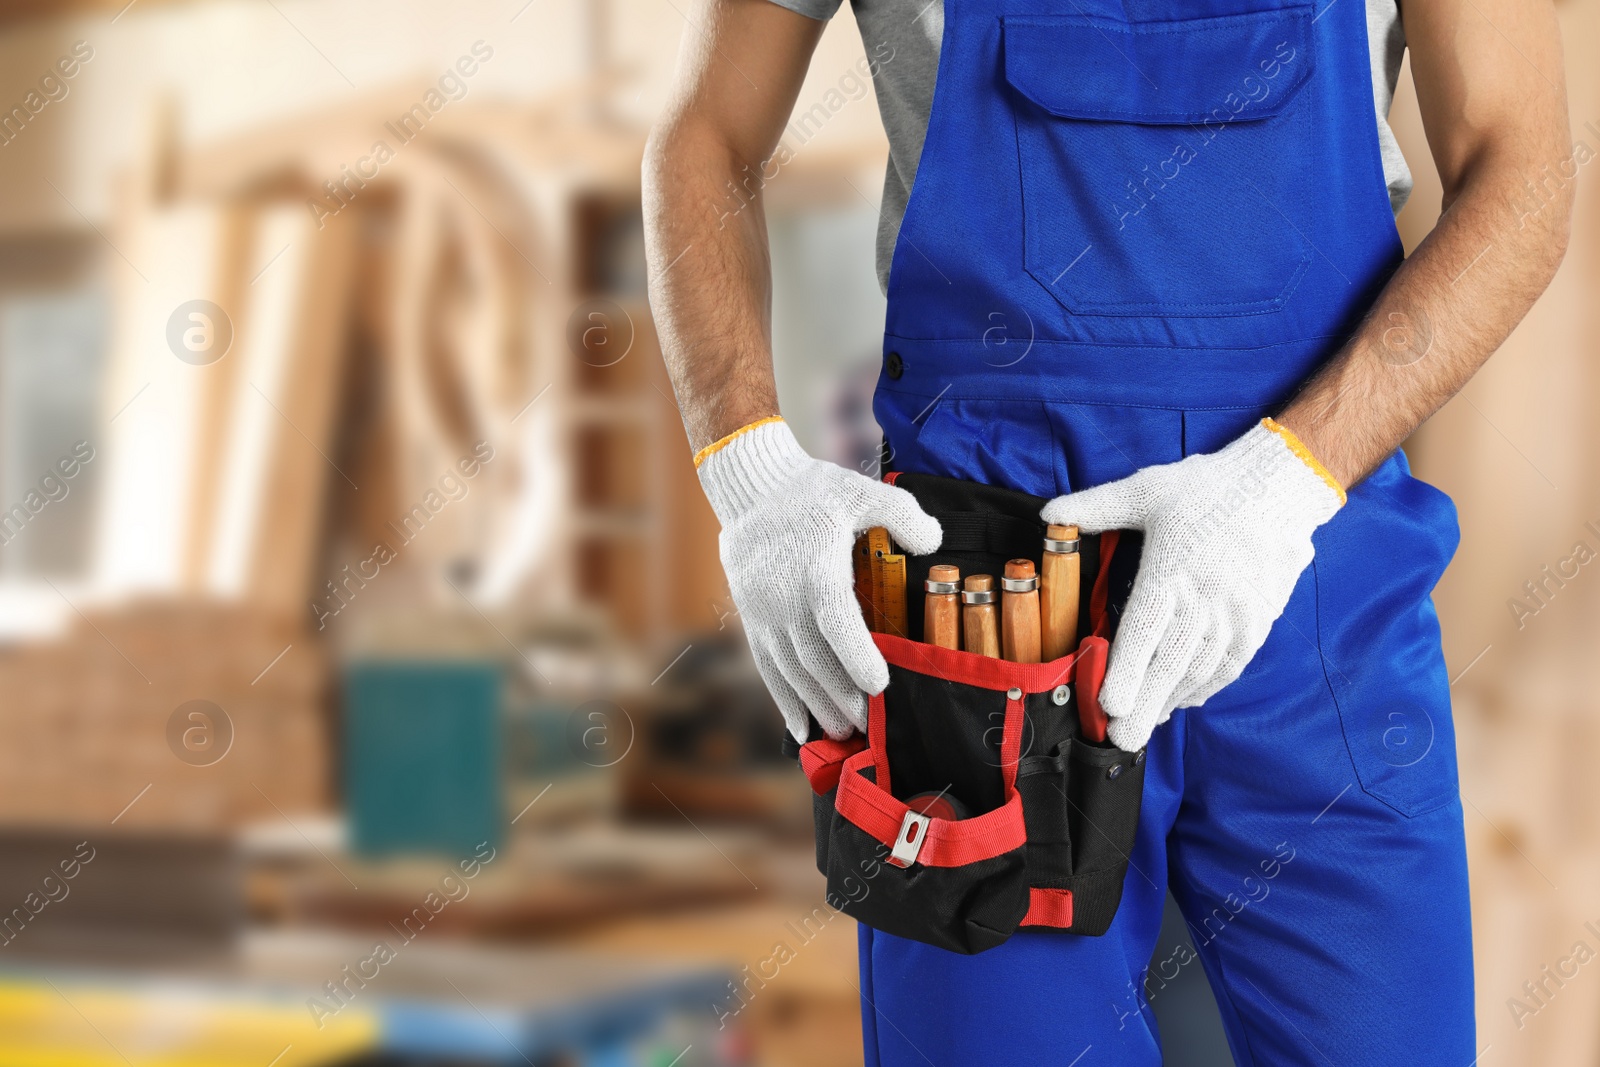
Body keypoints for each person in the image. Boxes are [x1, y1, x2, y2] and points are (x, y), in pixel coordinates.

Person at [643, 0, 1572, 1057]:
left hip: (1304, 563)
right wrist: (749, 469)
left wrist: (1285, 478)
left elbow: (1520, 169)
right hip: (984, 612)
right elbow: (705, 134)